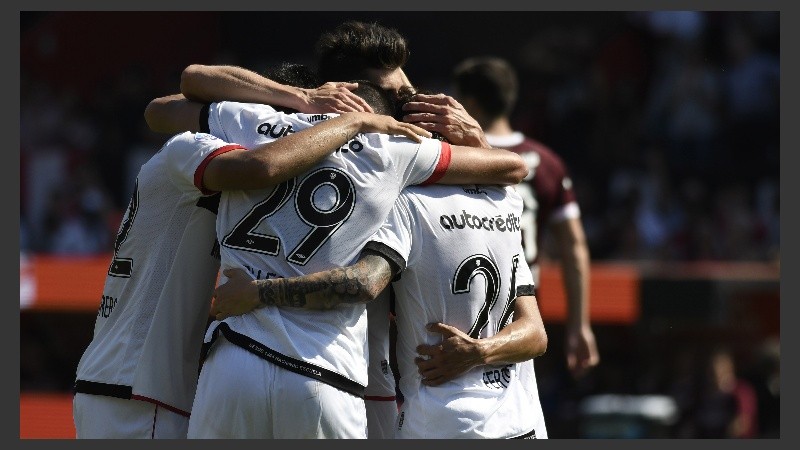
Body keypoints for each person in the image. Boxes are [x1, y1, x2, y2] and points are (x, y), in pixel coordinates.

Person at [149, 77, 528, 438]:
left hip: (234, 360)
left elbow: (163, 106)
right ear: (379, 116)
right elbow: (512, 166)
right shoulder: (394, 147)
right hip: (324, 373)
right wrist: (467, 135)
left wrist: (296, 96)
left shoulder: (250, 119)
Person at [72, 102, 430, 438]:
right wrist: (349, 124)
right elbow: (258, 166)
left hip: (125, 379)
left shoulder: (190, 165)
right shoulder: (192, 147)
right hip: (141, 387)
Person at [211, 180, 550, 438]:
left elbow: (362, 284)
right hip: (518, 425)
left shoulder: (408, 204)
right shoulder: (501, 205)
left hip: (443, 424)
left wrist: (260, 292)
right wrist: (479, 352)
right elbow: (536, 334)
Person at [452, 56, 599, 379]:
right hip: (526, 309)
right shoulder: (547, 162)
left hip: (462, 296)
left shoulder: (457, 155)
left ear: (469, 103)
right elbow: (574, 247)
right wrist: (579, 324)